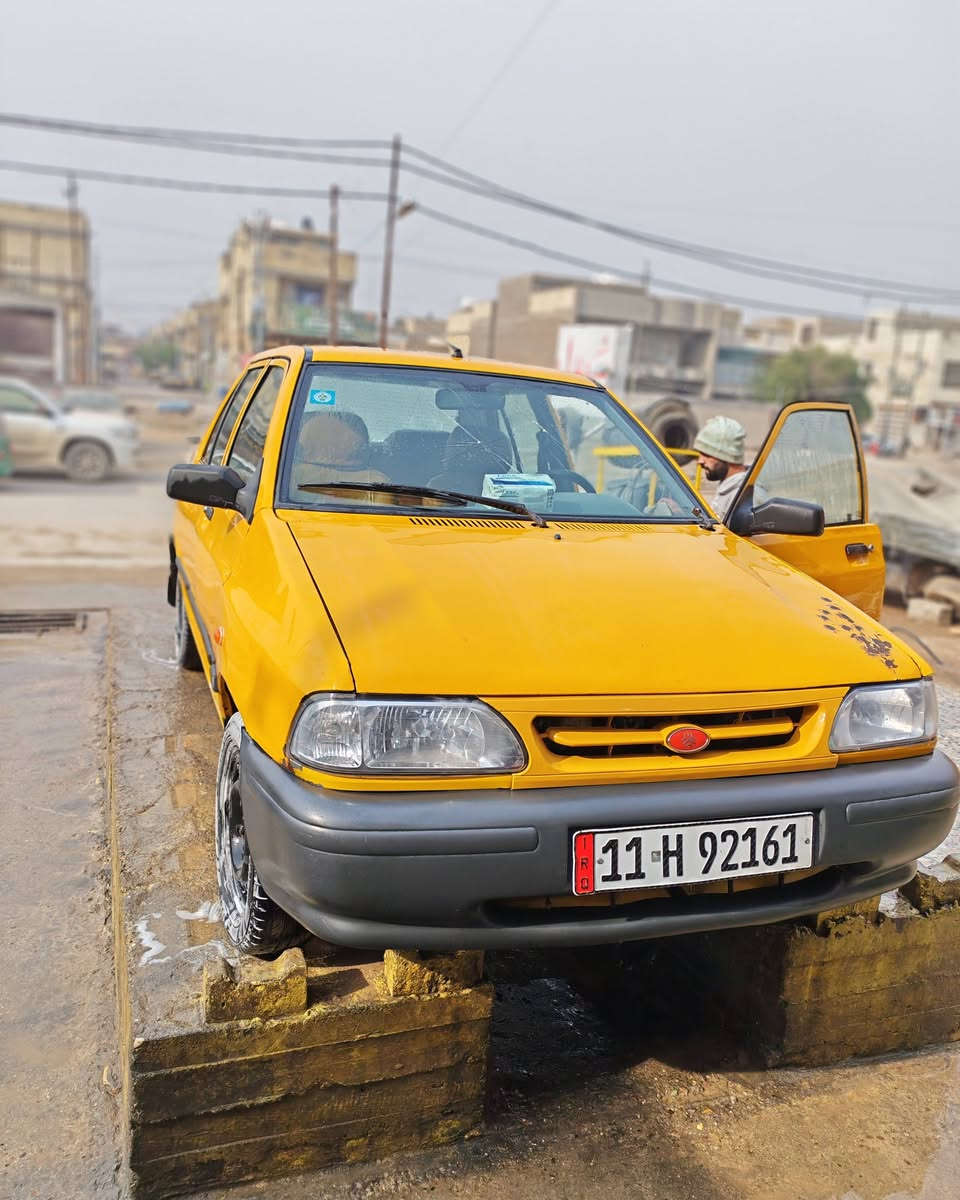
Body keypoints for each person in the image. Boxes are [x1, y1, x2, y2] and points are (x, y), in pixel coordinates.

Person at [693, 415, 748, 520]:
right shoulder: (729, 487)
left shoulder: (741, 495)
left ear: (727, 455)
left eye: (707, 455)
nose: (700, 461)